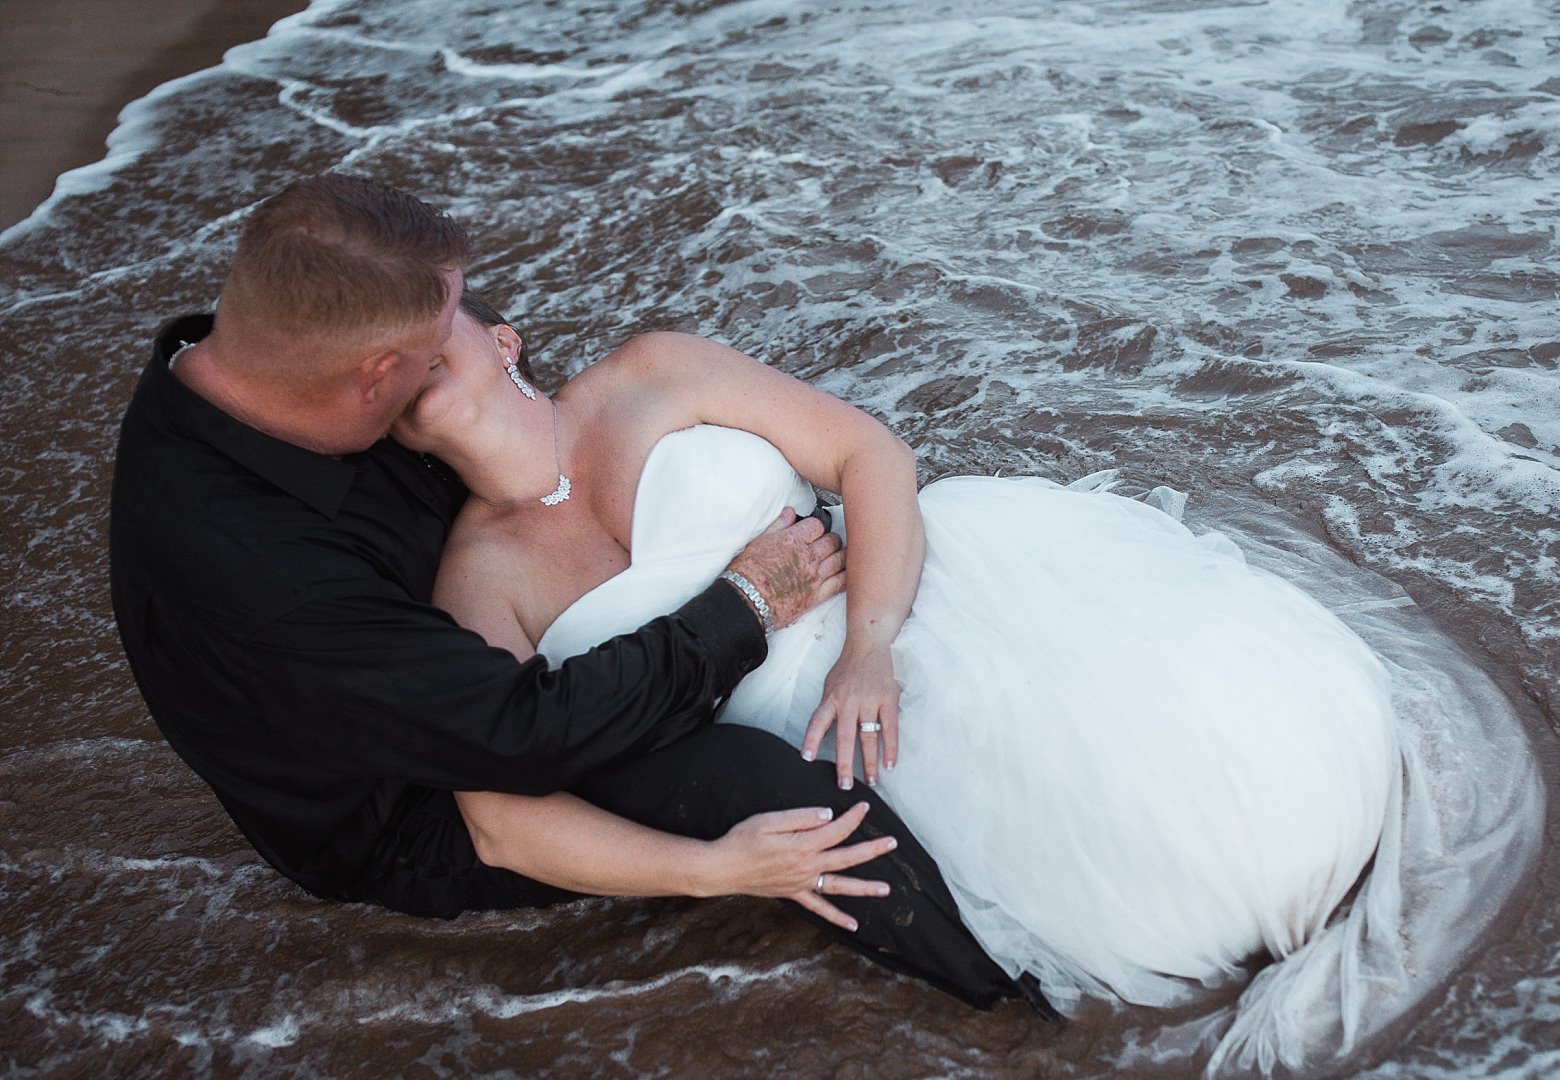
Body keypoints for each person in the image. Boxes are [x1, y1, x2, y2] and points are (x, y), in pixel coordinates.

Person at [394, 288, 1547, 1078]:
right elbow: (499, 821)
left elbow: (868, 455)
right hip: (812, 733)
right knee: (1113, 855)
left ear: (505, 338)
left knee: (1206, 729)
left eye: (427, 325)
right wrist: (710, 870)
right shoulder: (478, 579)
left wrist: (873, 641)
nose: (401, 352)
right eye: (379, 368)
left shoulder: (651, 370)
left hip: (912, 598)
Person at [108, 174, 1043, 1014]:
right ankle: (1008, 1005)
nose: (465, 330)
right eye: (435, 341)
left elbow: (861, 450)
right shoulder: (260, 571)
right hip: (421, 800)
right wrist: (746, 607)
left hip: (508, 675)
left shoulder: (303, 335)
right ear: (376, 387)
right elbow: (513, 747)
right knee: (763, 785)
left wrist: (858, 630)